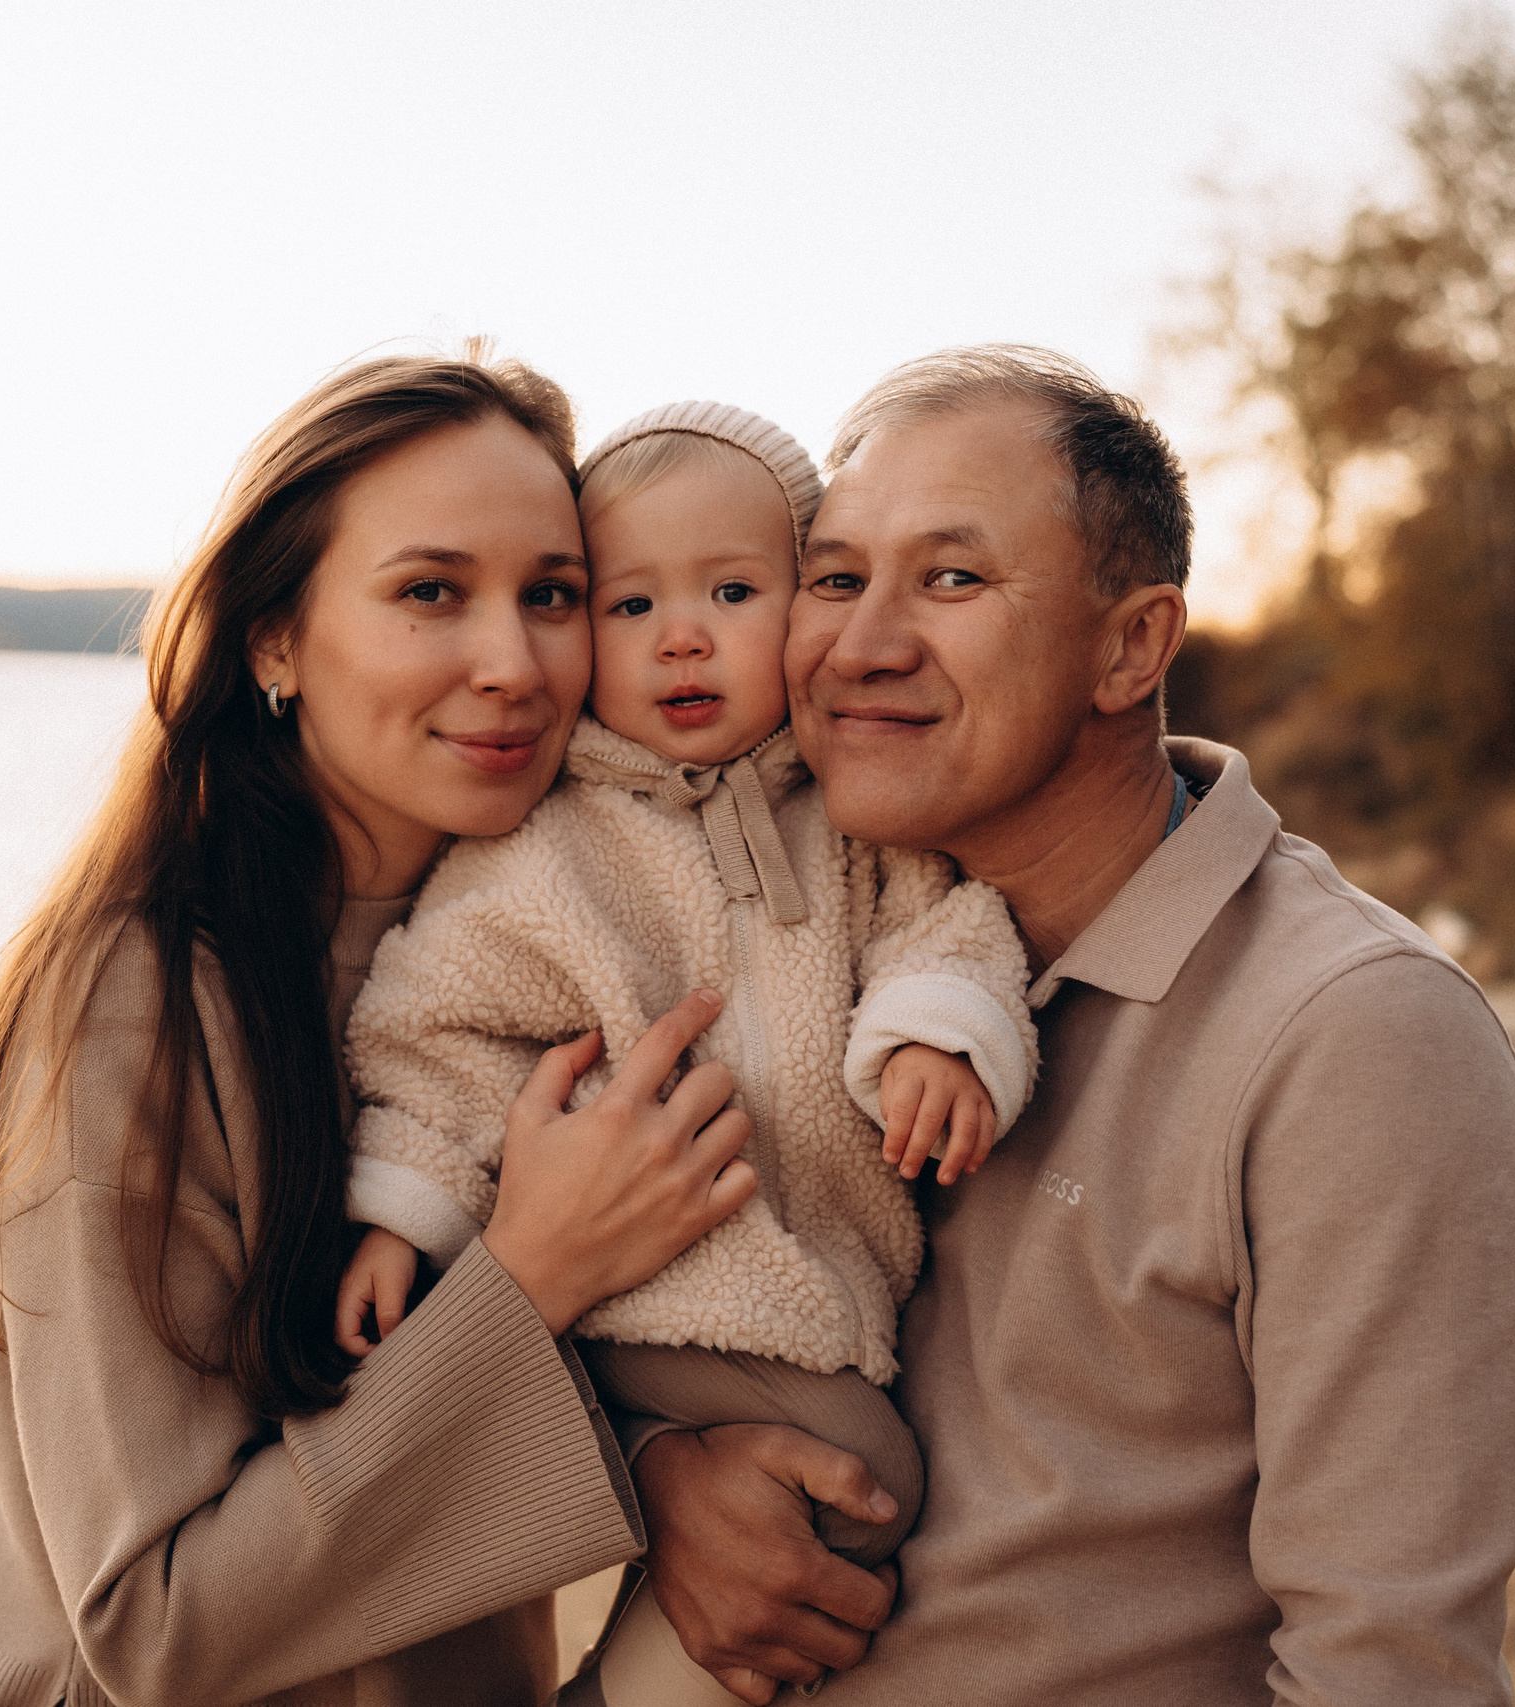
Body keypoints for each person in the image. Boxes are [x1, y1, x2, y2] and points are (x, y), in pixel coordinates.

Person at [627, 347, 1515, 1705]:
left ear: (1131, 646)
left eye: (952, 580)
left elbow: (1387, 1668)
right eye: (835, 578)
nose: (859, 644)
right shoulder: (783, 937)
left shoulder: (1356, 1037)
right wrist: (665, 1475)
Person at [0, 351, 801, 1707]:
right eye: (430, 593)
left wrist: (667, 1466)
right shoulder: (135, 1005)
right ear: (276, 638)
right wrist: (531, 1270)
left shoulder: (545, 964)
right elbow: (155, 1633)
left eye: (551, 596)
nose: (511, 664)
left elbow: (455, 1415)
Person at [329, 402, 1037, 1705]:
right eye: (630, 605)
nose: (685, 636)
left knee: (838, 1491)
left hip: (811, 1291)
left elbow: (955, 925)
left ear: (808, 605)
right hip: (636, 1305)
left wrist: (938, 1030)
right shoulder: (544, 851)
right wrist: (399, 1213)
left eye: (733, 589)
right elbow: (439, 1036)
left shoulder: (850, 816)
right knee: (859, 1479)